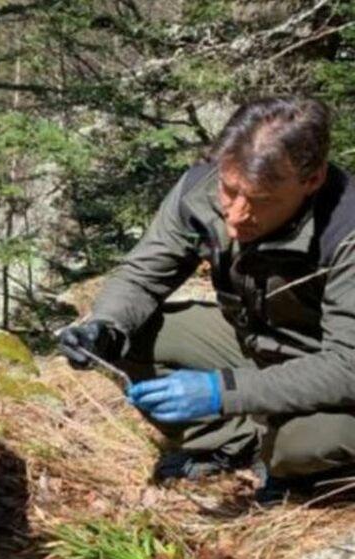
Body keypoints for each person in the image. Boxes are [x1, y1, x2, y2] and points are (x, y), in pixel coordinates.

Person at [59, 96, 355, 504]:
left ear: (312, 180)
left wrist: (223, 391)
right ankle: (239, 443)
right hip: (256, 342)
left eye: (261, 200)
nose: (235, 216)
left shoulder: (346, 231)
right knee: (129, 338)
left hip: (327, 365)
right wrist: (104, 328)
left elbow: (347, 367)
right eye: (229, 190)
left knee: (305, 446)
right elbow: (142, 275)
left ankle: (291, 462)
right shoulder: (198, 191)